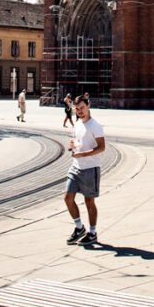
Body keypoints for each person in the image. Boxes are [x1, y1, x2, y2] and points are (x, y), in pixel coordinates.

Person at [64, 94, 105, 246]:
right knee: (68, 198)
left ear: (88, 106)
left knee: (89, 202)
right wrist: (72, 145)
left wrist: (83, 154)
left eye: (82, 108)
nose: (80, 111)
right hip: (76, 166)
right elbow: (77, 142)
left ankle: (92, 232)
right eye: (77, 109)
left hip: (90, 168)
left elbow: (102, 147)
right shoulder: (77, 124)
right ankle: (79, 227)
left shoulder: (95, 126)